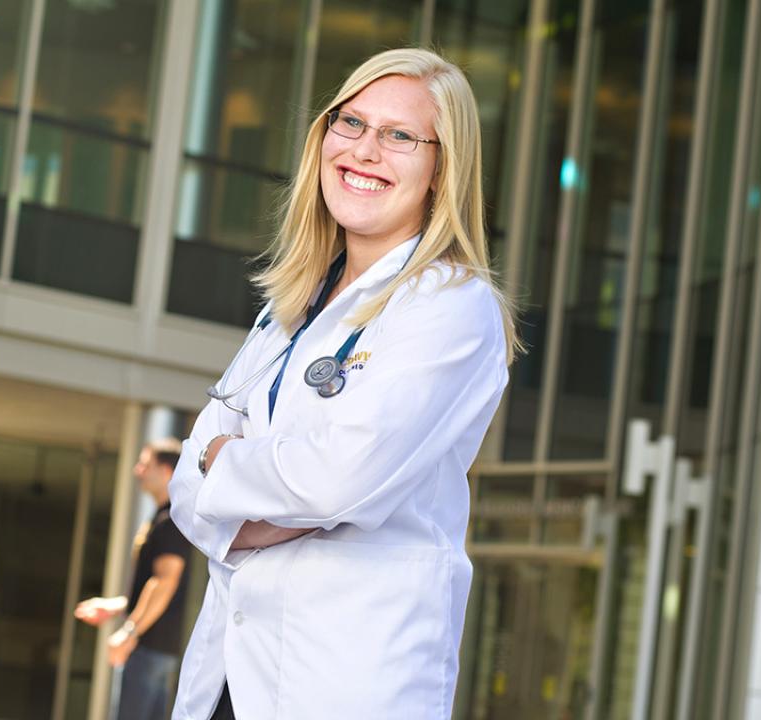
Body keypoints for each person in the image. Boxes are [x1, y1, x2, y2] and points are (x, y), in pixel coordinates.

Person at [167, 47, 517, 719]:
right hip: (229, 679)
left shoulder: (451, 306)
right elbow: (189, 485)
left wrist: (228, 473)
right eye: (351, 123)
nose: (364, 150)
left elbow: (339, 478)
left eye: (400, 136)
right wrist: (251, 491)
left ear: (443, 170)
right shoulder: (291, 306)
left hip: (344, 680)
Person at [75, 439, 193, 720]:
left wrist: (130, 632)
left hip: (151, 647)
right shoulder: (164, 518)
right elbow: (155, 584)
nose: (137, 470)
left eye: (145, 464)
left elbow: (165, 582)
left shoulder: (171, 520)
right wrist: (116, 606)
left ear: (165, 471)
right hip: (154, 647)